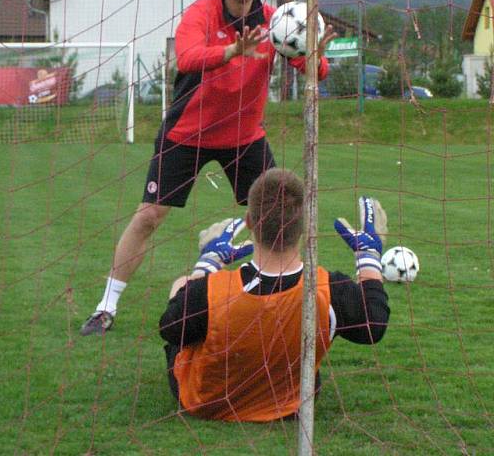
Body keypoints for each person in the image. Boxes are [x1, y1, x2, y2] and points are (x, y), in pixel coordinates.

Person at [80, 0, 338, 335]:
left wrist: (317, 57)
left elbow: (313, 71)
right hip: (188, 133)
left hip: (244, 137)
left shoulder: (277, 22)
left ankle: (283, 299)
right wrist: (232, 52)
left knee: (279, 216)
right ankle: (106, 307)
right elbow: (186, 57)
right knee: (149, 216)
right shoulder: (201, 13)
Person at [159, 168, 390, 422]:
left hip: (208, 405)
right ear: (306, 224)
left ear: (249, 221)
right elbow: (373, 326)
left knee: (183, 286)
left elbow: (171, 330)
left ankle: (205, 265)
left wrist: (206, 265)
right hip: (289, 405)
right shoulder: (328, 288)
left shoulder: (213, 289)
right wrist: (368, 256)